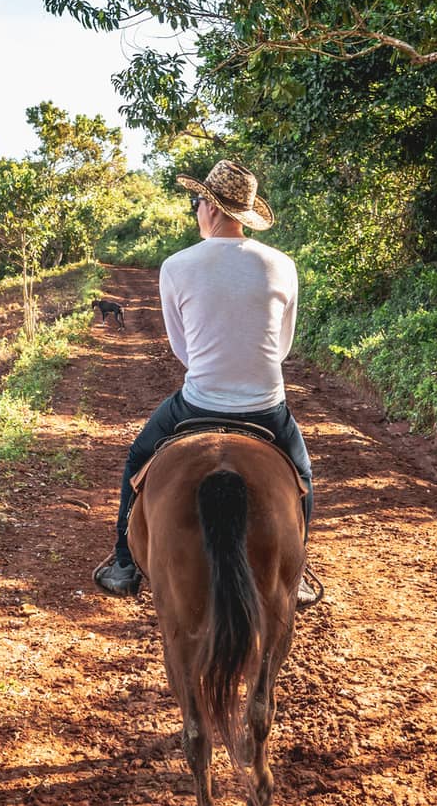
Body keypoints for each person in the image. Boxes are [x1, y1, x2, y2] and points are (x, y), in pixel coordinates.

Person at [94, 160, 320, 608]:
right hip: (266, 409)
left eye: (198, 202)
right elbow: (283, 347)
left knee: (139, 456)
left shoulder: (177, 265)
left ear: (212, 209)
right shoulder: (282, 264)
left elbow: (182, 350)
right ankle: (296, 574)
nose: (196, 209)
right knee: (303, 475)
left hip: (197, 404)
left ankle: (123, 563)